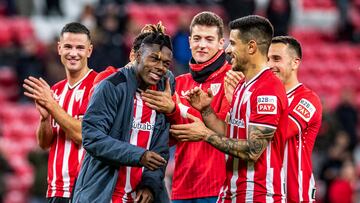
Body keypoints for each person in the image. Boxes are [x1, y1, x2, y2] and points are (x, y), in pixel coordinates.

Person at [170, 15, 288, 202]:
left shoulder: (268, 88)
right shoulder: (242, 86)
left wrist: (204, 134)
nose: (228, 50)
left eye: (232, 43)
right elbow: (229, 132)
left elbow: (253, 149)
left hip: (258, 194)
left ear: (251, 47)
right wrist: (206, 111)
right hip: (233, 191)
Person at [72, 24, 175, 203]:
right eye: (153, 59)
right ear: (134, 56)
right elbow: (92, 138)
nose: (160, 67)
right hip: (104, 195)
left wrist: (149, 184)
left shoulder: (163, 90)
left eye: (165, 63)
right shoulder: (110, 86)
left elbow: (160, 147)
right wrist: (139, 156)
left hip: (140, 196)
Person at [141, 11, 235, 203]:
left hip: (220, 187)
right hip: (183, 186)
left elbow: (229, 132)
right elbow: (167, 138)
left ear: (221, 43)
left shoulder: (232, 78)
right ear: (190, 41)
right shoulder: (178, 82)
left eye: (209, 39)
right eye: (198, 38)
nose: (202, 45)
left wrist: (176, 110)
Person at [23, 22, 97, 202]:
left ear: (89, 50)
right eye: (68, 47)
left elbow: (84, 135)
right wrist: (44, 119)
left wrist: (52, 106)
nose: (73, 53)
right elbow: (44, 143)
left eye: (80, 48)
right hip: (55, 189)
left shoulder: (98, 86)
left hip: (84, 188)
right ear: (59, 48)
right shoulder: (55, 90)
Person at [267, 36, 322, 202]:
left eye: (277, 59)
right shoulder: (262, 96)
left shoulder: (308, 100)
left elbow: (278, 133)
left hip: (295, 193)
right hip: (266, 191)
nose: (270, 65)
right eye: (267, 59)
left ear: (295, 63)